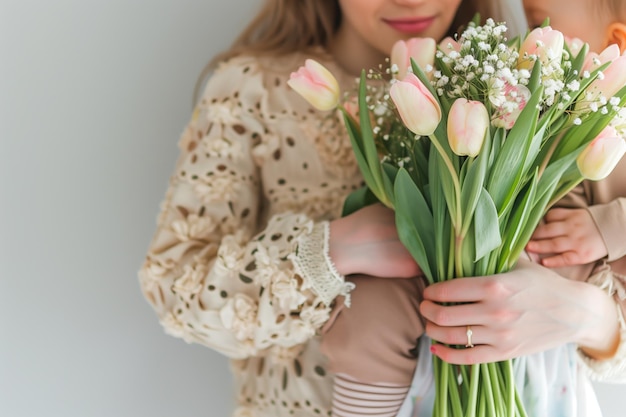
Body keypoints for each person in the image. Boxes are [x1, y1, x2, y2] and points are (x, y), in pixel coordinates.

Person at [139, 1, 497, 416]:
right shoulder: (255, 89)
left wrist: (589, 319)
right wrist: (332, 251)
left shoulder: (501, 86)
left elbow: (573, 271)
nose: (412, 0)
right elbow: (172, 286)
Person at [321, 2, 626, 417]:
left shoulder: (611, 121)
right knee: (372, 310)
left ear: (616, 43)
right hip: (448, 258)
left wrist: (605, 226)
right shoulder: (508, 83)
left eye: (539, 24)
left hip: (549, 284)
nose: (529, 36)